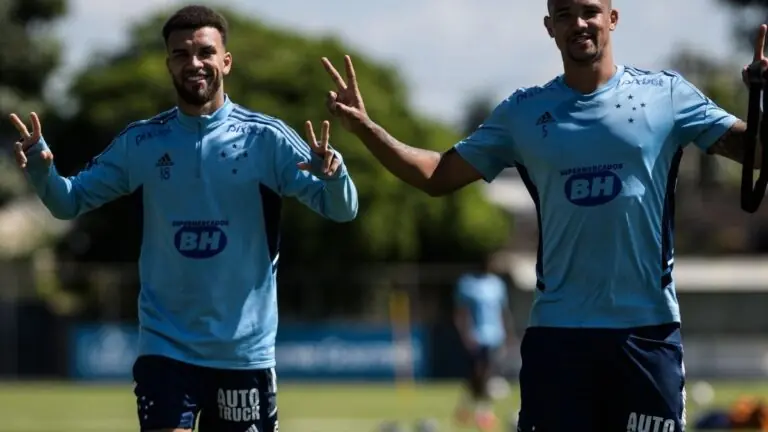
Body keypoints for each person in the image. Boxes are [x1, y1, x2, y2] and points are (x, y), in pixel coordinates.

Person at [319, 0, 765, 429]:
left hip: (647, 334)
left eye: (590, 11)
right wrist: (365, 128)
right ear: (550, 26)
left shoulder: (666, 95)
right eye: (564, 14)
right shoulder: (523, 113)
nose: (579, 23)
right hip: (558, 337)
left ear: (612, 18)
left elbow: (756, 153)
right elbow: (436, 175)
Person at [11, 5, 357, 432]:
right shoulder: (142, 142)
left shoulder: (267, 139)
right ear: (168, 64)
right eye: (181, 54)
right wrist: (41, 170)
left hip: (243, 352)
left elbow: (342, 209)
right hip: (166, 346)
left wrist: (335, 174)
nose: (194, 63)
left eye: (205, 52)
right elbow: (69, 202)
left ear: (225, 61)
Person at [453, 254, 515, 430]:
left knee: (486, 373)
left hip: (494, 336)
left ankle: (482, 413)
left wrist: (508, 334)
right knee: (477, 374)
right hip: (476, 335)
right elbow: (461, 312)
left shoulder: (497, 285)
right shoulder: (467, 284)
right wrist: (465, 334)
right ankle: (470, 407)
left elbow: (503, 311)